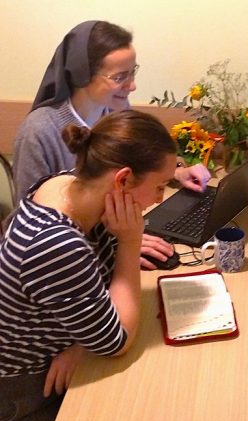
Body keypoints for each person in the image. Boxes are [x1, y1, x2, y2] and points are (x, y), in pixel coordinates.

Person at [0, 109, 178, 421]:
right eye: (161, 186)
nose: (159, 198)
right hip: (24, 392)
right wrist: (130, 241)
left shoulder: (68, 184)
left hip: (58, 346)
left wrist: (83, 343)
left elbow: (100, 280)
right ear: (123, 179)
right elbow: (117, 340)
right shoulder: (57, 244)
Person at [11, 20, 209, 269]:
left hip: (110, 237)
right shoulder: (38, 132)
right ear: (82, 76)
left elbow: (136, 165)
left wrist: (176, 173)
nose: (132, 85)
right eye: (119, 77)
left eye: (132, 72)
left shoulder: (114, 110)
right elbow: (32, 228)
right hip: (66, 259)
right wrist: (121, 247)